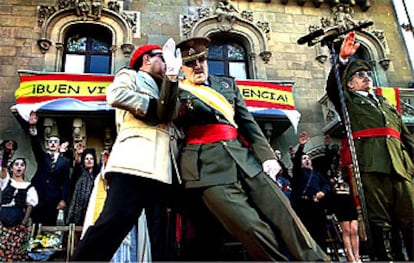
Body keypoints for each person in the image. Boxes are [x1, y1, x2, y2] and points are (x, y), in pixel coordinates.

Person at [174, 37, 329, 261]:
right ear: (181, 67)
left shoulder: (226, 84)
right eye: (190, 63)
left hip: (245, 161)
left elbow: (248, 124)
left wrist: (267, 157)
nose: (198, 66)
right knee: (251, 228)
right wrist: (170, 79)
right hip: (206, 169)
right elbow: (166, 113)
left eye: (202, 60)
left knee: (285, 214)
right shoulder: (176, 91)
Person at [71, 38, 182, 261]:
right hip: (134, 162)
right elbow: (116, 95)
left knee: (161, 234)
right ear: (146, 59)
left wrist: (172, 77)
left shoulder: (169, 86)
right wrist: (151, 107)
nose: (166, 62)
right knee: (112, 224)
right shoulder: (130, 75)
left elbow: (170, 114)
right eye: (162, 58)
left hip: (164, 167)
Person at [326, 31, 414, 261]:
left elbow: (405, 136)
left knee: (410, 218)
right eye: (360, 75)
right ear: (351, 84)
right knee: (379, 222)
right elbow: (333, 88)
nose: (367, 77)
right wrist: (342, 60)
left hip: (400, 167)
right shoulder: (349, 102)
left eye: (368, 74)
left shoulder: (386, 105)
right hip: (372, 165)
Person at [291, 131, 331, 251]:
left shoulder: (317, 174)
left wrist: (323, 192)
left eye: (308, 158)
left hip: (316, 204)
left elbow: (326, 183)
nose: (306, 160)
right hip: (302, 205)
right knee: (305, 233)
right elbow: (296, 163)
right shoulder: (299, 173)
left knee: (320, 232)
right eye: (304, 158)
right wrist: (301, 146)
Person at [28, 111, 71, 226]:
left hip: (53, 199)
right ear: (47, 145)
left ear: (59, 145)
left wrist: (63, 199)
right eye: (50, 142)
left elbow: (66, 181)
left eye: (55, 142)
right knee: (36, 225)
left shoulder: (65, 161)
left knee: (50, 226)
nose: (52, 144)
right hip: (39, 196)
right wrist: (33, 127)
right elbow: (36, 146)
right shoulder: (43, 158)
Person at [0, 150, 38, 262]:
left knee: (17, 253)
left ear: (24, 169)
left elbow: (30, 206)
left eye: (22, 165)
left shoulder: (29, 187)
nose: (19, 167)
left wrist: (23, 223)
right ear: (12, 168)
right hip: (3, 220)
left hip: (17, 222)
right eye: (16, 164)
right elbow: (2, 170)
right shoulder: (6, 182)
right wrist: (6, 157)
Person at [66, 146, 99, 225]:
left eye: (91, 159)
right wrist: (78, 155)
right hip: (78, 209)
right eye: (86, 159)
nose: (89, 161)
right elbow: (76, 168)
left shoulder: (97, 175)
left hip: (92, 208)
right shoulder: (79, 172)